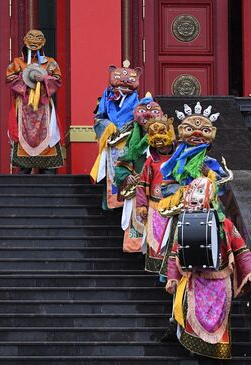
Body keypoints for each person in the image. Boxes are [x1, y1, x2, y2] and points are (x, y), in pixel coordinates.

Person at [165, 176, 251, 359]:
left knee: (220, 319)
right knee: (191, 315)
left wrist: (250, 270)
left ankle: (217, 353)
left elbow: (241, 249)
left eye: (200, 192)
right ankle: (196, 350)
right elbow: (176, 253)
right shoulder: (183, 224)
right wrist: (173, 277)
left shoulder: (225, 225)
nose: (195, 196)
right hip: (195, 279)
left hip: (220, 284)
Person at [6, 29, 64, 174]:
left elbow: (58, 80)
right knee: (23, 134)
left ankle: (46, 167)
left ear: (43, 43)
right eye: (31, 38)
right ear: (25, 41)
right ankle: (25, 166)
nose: (34, 42)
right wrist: (24, 78)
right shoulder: (17, 62)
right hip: (24, 106)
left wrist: (45, 79)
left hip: (43, 106)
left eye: (38, 38)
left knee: (47, 133)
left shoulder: (50, 63)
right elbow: (9, 79)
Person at [89, 60, 142, 209]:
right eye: (119, 77)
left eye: (130, 79)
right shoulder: (107, 96)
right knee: (111, 173)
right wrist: (108, 127)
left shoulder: (137, 100)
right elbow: (99, 117)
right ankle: (111, 203)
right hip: (112, 142)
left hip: (130, 141)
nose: (124, 82)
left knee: (130, 172)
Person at [114, 94, 163, 252]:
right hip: (138, 189)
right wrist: (128, 177)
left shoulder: (168, 140)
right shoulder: (132, 141)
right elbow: (122, 163)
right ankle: (137, 250)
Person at [136, 115, 176, 273]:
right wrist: (141, 205)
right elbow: (142, 183)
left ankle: (172, 272)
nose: (158, 140)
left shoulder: (179, 157)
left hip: (175, 205)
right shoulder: (151, 161)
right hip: (156, 206)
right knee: (157, 241)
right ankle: (159, 273)